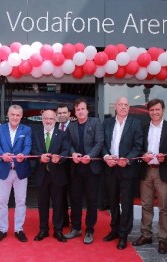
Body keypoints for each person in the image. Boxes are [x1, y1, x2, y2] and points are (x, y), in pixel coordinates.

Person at [132, 98, 167, 254]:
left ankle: (162, 239)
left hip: (163, 172)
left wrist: (165, 156)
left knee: (164, 207)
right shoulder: (143, 127)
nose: (154, 112)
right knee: (146, 205)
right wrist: (142, 155)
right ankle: (146, 234)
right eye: (152, 110)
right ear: (149, 111)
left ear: (163, 110)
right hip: (146, 170)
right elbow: (137, 147)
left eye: (157, 109)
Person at [102, 97, 143, 250]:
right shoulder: (107, 123)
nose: (123, 107)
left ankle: (124, 234)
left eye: (126, 105)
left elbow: (138, 145)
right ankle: (114, 229)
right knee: (112, 202)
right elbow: (103, 144)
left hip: (127, 169)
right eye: (120, 104)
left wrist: (128, 159)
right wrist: (106, 157)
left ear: (129, 108)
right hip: (111, 168)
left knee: (126, 204)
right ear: (115, 107)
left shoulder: (135, 123)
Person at [64, 98, 104, 244]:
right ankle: (75, 228)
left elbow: (99, 142)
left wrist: (90, 156)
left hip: (91, 168)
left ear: (87, 110)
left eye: (82, 108)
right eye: (78, 109)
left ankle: (89, 229)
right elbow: (68, 144)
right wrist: (73, 153)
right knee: (75, 200)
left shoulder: (95, 123)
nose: (80, 111)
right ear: (75, 112)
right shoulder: (71, 126)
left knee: (92, 201)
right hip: (76, 168)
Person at [0, 104, 32, 243]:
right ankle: (2, 229)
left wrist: (24, 154)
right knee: (2, 201)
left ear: (21, 116)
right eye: (12, 114)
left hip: (20, 170)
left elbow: (28, 146)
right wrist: (2, 154)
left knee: (21, 201)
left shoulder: (26, 129)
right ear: (7, 115)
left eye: (18, 115)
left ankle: (19, 229)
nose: (15, 117)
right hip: (4, 170)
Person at [31, 110, 70, 242]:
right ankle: (43, 230)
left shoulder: (63, 134)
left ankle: (58, 231)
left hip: (57, 174)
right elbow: (31, 150)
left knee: (58, 204)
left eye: (51, 119)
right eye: (46, 118)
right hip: (41, 174)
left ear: (56, 120)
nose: (48, 121)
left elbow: (66, 150)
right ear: (42, 119)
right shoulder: (35, 133)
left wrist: (59, 159)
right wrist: (39, 157)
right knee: (42, 204)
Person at [56, 104, 71, 227]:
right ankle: (63, 220)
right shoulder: (54, 128)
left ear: (69, 114)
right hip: (59, 167)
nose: (62, 115)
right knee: (60, 196)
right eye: (59, 113)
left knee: (74, 196)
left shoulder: (74, 127)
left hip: (73, 167)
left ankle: (75, 222)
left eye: (64, 113)